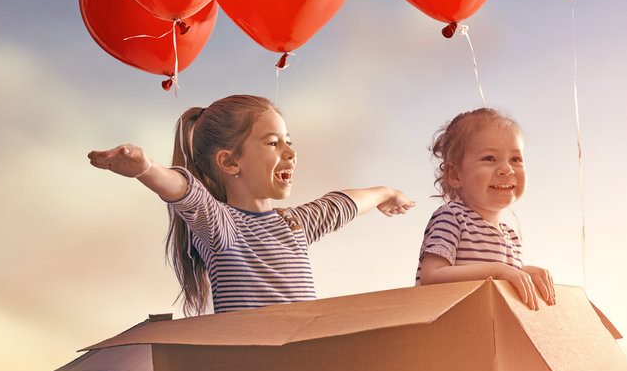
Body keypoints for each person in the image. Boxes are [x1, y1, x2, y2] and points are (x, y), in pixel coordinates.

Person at [87, 94, 415, 315]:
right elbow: (185, 191)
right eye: (273, 143)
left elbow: (340, 205)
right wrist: (145, 168)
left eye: (289, 141)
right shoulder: (220, 225)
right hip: (253, 369)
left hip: (303, 361)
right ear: (230, 163)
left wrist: (385, 193)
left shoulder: (295, 224)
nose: (290, 152)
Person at [416, 108, 555, 310]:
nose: (506, 169)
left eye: (515, 159)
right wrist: (499, 272)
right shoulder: (452, 217)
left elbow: (501, 287)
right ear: (454, 175)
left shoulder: (510, 235)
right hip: (452, 331)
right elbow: (432, 276)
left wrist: (523, 273)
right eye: (489, 158)